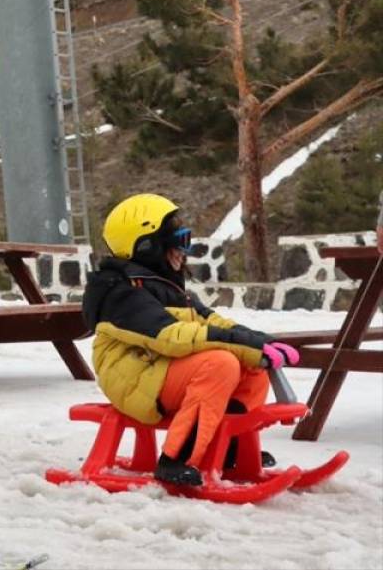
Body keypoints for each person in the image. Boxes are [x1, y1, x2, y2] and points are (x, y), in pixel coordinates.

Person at [82, 194, 300, 486]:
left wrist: (260, 342)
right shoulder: (120, 291)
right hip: (134, 378)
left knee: (251, 369)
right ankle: (176, 459)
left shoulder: (168, 286)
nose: (185, 250)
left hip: (161, 371)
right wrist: (241, 344)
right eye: (179, 240)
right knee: (220, 364)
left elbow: (212, 322)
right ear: (147, 245)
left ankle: (228, 451)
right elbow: (171, 337)